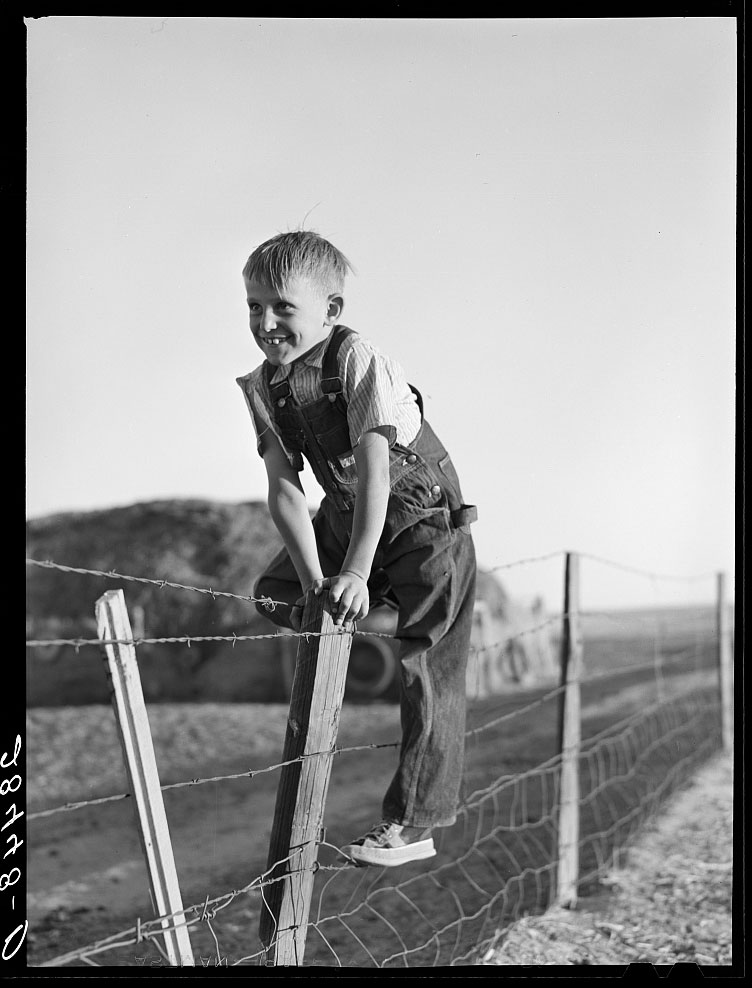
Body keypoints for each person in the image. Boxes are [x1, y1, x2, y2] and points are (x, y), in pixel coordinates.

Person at [236, 230, 477, 867]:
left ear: (331, 311)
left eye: (283, 307)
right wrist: (322, 581)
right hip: (346, 514)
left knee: (431, 667)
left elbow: (376, 466)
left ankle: (414, 823)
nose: (266, 322)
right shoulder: (263, 385)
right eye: (254, 307)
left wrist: (355, 567)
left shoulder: (355, 357)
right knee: (275, 591)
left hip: (419, 516)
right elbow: (285, 491)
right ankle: (361, 613)